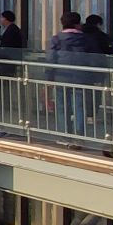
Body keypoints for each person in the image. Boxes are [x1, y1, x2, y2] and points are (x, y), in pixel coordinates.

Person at [47, 10, 94, 138]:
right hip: (81, 77)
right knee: (80, 107)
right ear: (78, 24)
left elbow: (51, 59)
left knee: (62, 107)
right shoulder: (86, 39)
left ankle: (64, 135)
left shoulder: (57, 39)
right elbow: (93, 59)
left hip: (61, 76)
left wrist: (49, 77)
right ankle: (79, 136)